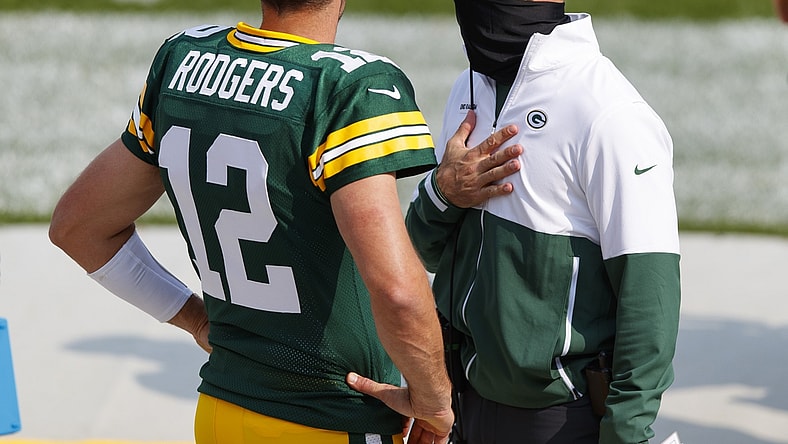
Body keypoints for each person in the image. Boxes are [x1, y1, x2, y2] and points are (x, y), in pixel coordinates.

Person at [48, 0, 461, 442]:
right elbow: (397, 292)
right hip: (332, 418)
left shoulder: (182, 59)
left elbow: (78, 227)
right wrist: (435, 401)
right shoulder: (354, 86)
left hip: (220, 411)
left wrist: (195, 320)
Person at [352, 1, 682, 443]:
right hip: (461, 406)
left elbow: (650, 301)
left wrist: (625, 433)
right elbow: (425, 251)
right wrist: (444, 193)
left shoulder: (611, 113)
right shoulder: (470, 91)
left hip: (559, 420)